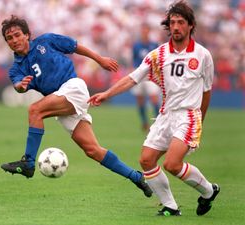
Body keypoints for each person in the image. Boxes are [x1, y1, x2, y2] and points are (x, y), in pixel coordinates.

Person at [88, 1, 219, 216]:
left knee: (172, 164)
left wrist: (199, 122)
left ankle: (207, 191)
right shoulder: (158, 55)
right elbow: (132, 78)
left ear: (190, 25)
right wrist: (107, 93)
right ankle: (171, 206)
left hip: (189, 115)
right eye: (172, 22)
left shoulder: (203, 55)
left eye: (181, 22)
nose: (176, 27)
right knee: (146, 160)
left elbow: (206, 91)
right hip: (166, 114)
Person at [0, 15, 152, 198]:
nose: (14, 40)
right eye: (9, 38)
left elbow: (75, 46)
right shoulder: (16, 68)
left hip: (73, 88)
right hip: (60, 101)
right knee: (92, 150)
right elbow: (18, 85)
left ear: (27, 35)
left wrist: (99, 59)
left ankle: (29, 163)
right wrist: (20, 87)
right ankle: (136, 177)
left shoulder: (46, 41)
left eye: (17, 35)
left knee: (35, 110)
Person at [130, 23, 160, 131]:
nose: (144, 32)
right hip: (139, 74)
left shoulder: (154, 45)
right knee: (140, 99)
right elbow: (133, 60)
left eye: (146, 30)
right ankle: (144, 122)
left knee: (154, 97)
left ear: (149, 31)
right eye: (143, 30)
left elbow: (158, 60)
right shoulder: (136, 45)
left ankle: (158, 122)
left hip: (150, 75)